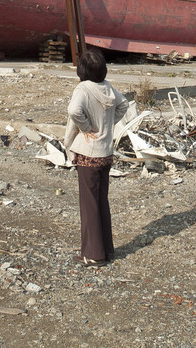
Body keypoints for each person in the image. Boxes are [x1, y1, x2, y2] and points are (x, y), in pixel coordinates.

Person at [65, 47, 131, 265]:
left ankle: (93, 255)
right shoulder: (107, 87)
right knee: (101, 202)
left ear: (81, 70)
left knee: (89, 205)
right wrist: (108, 125)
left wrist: (86, 128)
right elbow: (124, 105)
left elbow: (74, 111)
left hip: (88, 154)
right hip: (106, 154)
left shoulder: (82, 89)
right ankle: (107, 251)